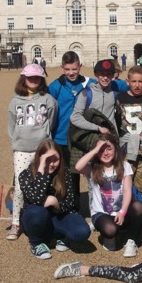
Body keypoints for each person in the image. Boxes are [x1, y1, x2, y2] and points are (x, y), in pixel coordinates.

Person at [6, 63, 58, 240]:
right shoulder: (15, 101)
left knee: (43, 184)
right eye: (30, 77)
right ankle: (16, 223)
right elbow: (11, 126)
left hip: (41, 150)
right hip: (21, 149)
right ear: (24, 79)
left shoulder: (48, 100)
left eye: (37, 77)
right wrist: (14, 147)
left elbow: (51, 122)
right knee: (20, 188)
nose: (34, 80)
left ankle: (42, 221)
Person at [19, 139, 90, 259]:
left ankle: (60, 236)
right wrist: (42, 171)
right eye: (47, 159)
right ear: (39, 158)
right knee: (36, 211)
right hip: (37, 219)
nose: (52, 164)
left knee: (82, 232)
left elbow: (70, 202)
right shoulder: (26, 175)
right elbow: (36, 199)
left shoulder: (64, 173)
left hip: (58, 216)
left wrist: (55, 202)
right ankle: (37, 243)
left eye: (55, 159)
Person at [75, 134, 142, 257]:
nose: (105, 153)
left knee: (138, 206)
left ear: (116, 149)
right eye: (101, 150)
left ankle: (131, 240)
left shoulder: (124, 166)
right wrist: (95, 150)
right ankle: (111, 235)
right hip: (101, 213)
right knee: (110, 230)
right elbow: (78, 166)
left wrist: (122, 212)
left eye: (109, 149)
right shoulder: (92, 168)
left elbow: (127, 191)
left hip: (121, 212)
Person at [48, 51, 97, 210]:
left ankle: (75, 207)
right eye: (67, 69)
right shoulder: (56, 86)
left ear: (80, 66)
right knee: (60, 173)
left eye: (74, 69)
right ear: (62, 67)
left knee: (76, 173)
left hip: (80, 137)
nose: (71, 73)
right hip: (60, 136)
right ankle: (60, 205)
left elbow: (109, 83)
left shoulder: (89, 83)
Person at [115, 65, 142, 196]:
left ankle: (139, 205)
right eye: (133, 81)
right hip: (127, 148)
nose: (137, 85)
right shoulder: (120, 98)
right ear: (127, 81)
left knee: (141, 183)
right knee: (125, 180)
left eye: (140, 81)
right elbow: (117, 121)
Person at [70, 59, 118, 136]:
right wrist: (97, 128)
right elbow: (75, 117)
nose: (105, 78)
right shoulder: (86, 94)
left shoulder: (114, 93)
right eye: (102, 74)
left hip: (111, 136)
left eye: (108, 74)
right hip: (92, 136)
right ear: (96, 74)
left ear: (113, 76)